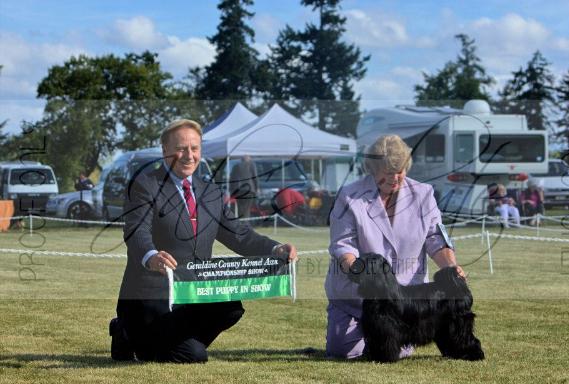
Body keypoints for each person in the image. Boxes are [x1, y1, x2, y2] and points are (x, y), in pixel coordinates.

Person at [111, 119, 297, 363]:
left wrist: (275, 248)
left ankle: (168, 342)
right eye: (181, 148)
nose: (189, 155)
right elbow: (137, 231)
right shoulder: (144, 185)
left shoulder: (211, 192)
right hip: (151, 297)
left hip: (193, 293)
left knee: (230, 306)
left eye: (195, 148)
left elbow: (238, 234)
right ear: (165, 150)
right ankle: (126, 331)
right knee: (194, 355)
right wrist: (151, 257)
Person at [324, 135, 466, 360]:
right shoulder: (350, 196)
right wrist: (361, 275)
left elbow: (436, 237)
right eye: (388, 172)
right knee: (344, 351)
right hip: (355, 295)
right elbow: (343, 245)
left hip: (404, 300)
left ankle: (397, 336)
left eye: (400, 171)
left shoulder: (424, 194)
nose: (395, 177)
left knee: (391, 347)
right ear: (372, 169)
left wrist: (451, 267)